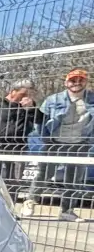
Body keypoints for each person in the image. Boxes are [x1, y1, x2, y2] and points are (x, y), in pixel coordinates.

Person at [24, 69, 92, 222]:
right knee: (43, 174)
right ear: (66, 82)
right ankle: (30, 201)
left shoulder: (92, 100)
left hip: (80, 144)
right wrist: (46, 139)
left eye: (80, 80)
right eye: (73, 80)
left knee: (74, 180)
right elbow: (40, 120)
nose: (76, 83)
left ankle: (67, 210)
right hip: (55, 143)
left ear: (85, 82)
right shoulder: (54, 99)